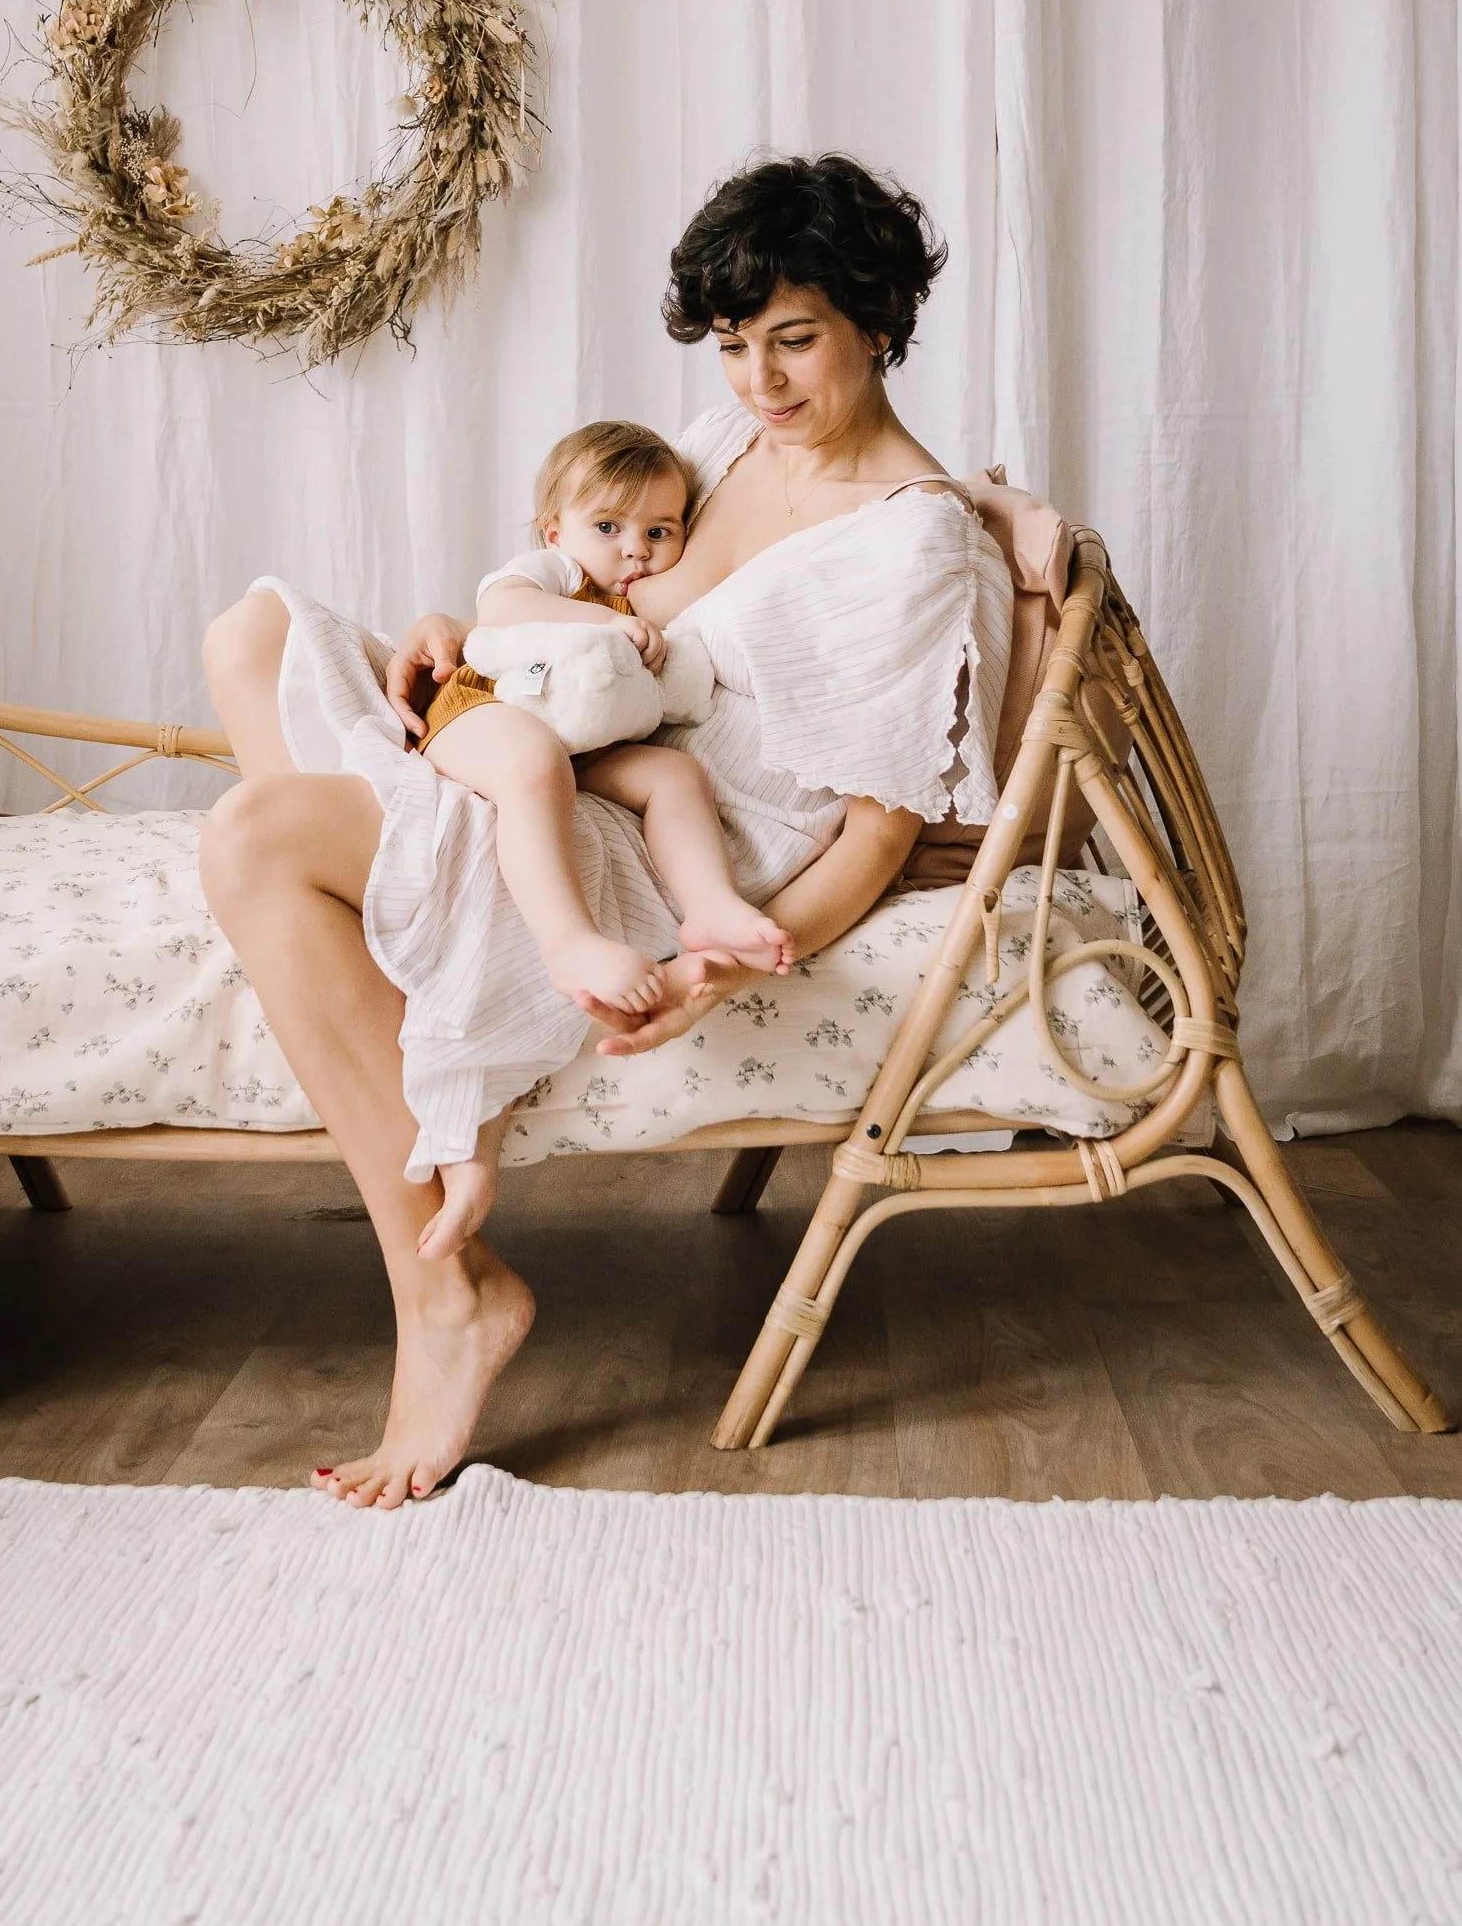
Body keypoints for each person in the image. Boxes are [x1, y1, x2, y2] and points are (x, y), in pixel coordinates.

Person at [199, 152, 1014, 1508]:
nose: (759, 378)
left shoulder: (917, 547)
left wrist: (714, 966)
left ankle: (443, 1290)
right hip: (568, 756)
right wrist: (469, 635)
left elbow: (875, 839)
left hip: (653, 846)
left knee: (254, 838)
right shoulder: (725, 440)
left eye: (795, 340)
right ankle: (406, 951)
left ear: (879, 320)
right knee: (255, 632)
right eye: (738, 342)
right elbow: (585, 583)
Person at [411, 417, 794, 1259]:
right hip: (482, 714)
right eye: (610, 528)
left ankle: (711, 907)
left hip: (587, 742)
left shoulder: (643, 605)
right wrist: (595, 625)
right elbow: (498, 605)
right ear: (559, 530)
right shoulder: (552, 576)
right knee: (533, 763)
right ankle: (569, 943)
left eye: (660, 531)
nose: (635, 550)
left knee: (675, 778)